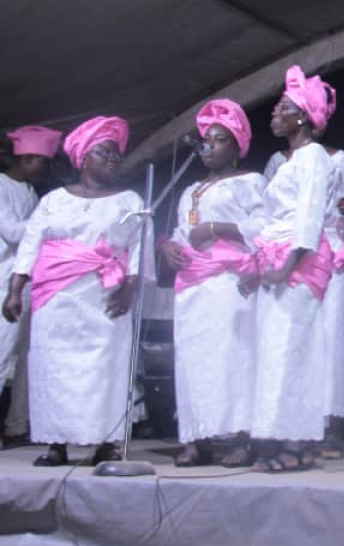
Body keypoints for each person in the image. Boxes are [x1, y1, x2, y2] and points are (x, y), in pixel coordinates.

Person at [2, 117, 144, 467]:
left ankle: (105, 442)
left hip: (104, 295)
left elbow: (138, 247)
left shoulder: (129, 200)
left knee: (104, 368)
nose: (113, 159)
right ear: (83, 158)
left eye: (116, 154)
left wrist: (130, 287)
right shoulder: (53, 200)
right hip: (56, 298)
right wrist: (15, 290)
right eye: (105, 152)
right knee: (54, 368)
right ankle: (56, 443)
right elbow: (31, 244)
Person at [162, 100, 266, 467]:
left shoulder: (251, 182)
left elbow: (266, 228)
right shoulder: (191, 190)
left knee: (233, 358)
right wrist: (171, 246)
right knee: (193, 361)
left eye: (220, 140)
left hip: (229, 280)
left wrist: (218, 229)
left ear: (237, 146)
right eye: (206, 140)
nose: (210, 146)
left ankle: (242, 436)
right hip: (192, 284)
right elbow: (180, 230)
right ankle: (197, 436)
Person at [249, 65, 339, 472]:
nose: (273, 114)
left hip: (296, 265)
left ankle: (298, 443)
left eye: (282, 108)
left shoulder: (314, 157)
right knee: (277, 354)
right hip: (276, 263)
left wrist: (287, 265)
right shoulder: (287, 162)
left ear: (301, 116)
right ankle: (285, 437)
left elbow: (309, 215)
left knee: (293, 352)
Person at [265, 125, 344, 459]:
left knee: (331, 337)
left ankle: (331, 424)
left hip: (331, 255)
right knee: (293, 338)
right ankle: (292, 422)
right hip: (293, 255)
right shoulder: (277, 161)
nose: (277, 112)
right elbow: (269, 207)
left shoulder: (338, 158)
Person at [1, 126, 61, 448]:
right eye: (44, 163)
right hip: (3, 282)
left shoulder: (30, 192)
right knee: (1, 354)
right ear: (27, 159)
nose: (46, 171)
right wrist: (45, 222)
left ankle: (16, 424)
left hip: (27, 283)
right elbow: (12, 232)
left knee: (27, 357)